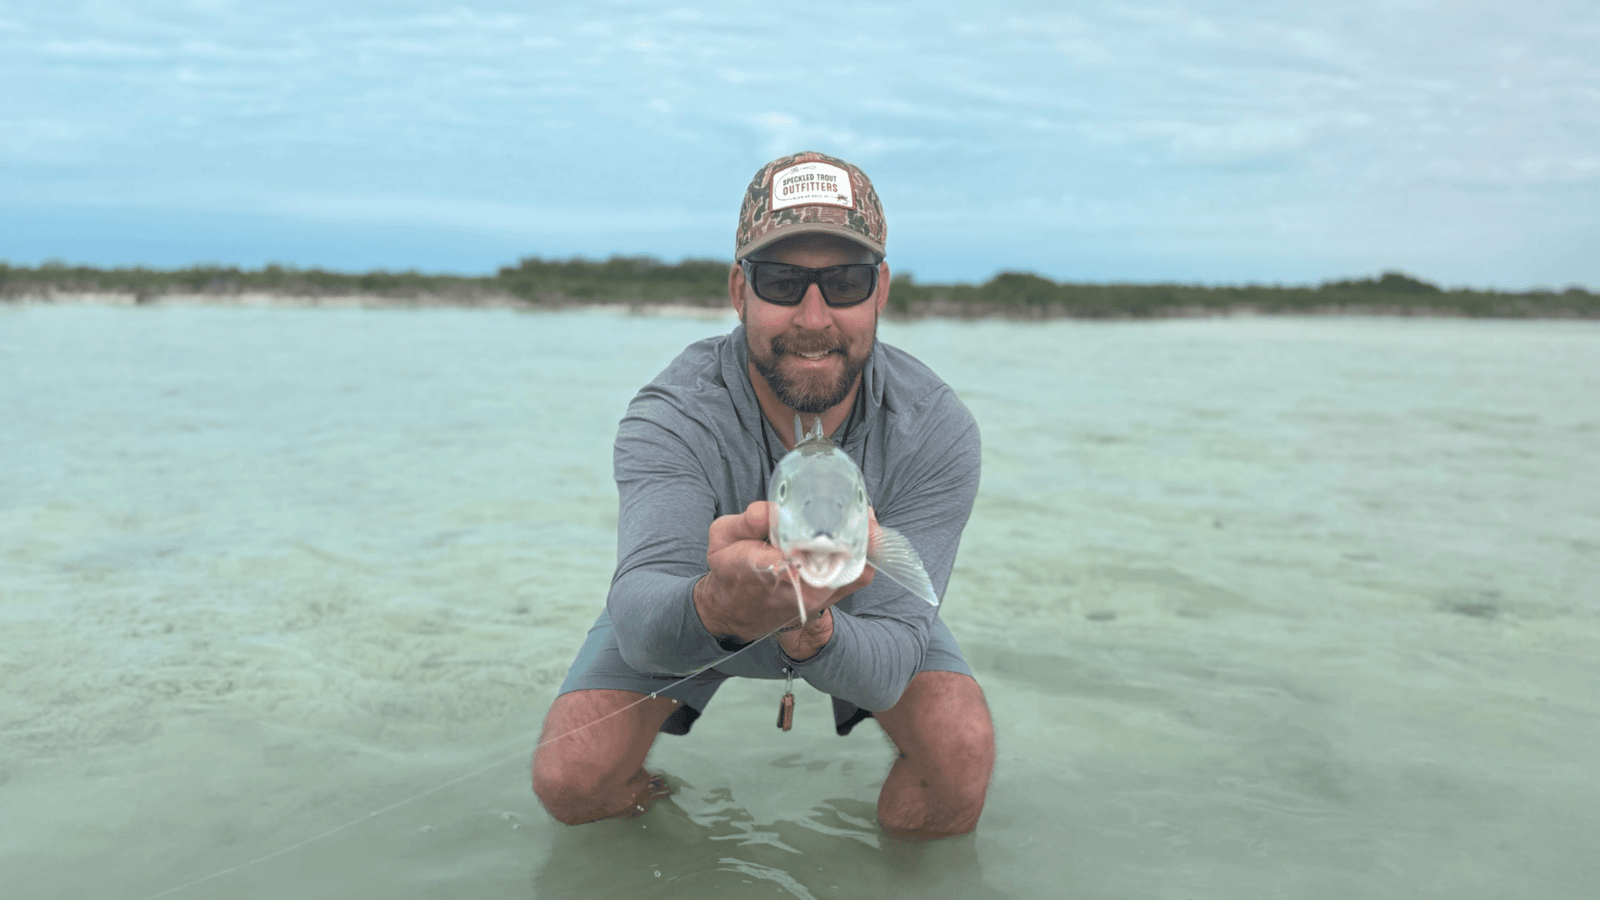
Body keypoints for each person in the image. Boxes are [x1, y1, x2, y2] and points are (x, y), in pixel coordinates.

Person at [531, 151, 994, 839]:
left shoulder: (937, 427)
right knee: (568, 778)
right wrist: (723, 601)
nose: (813, 316)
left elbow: (894, 656)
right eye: (782, 281)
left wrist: (812, 628)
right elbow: (638, 612)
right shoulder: (671, 413)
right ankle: (668, 834)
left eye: (844, 282)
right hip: (702, 603)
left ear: (882, 291)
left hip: (856, 606)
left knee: (962, 755)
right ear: (740, 290)